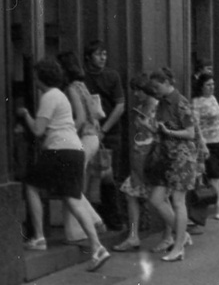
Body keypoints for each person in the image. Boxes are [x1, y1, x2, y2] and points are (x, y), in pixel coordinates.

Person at [17, 58, 111, 272]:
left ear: (41, 77)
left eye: (36, 75)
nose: (34, 79)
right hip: (74, 149)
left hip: (59, 150)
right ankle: (97, 246)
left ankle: (40, 237)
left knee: (31, 186)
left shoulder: (49, 96)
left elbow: (38, 130)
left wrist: (25, 115)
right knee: (73, 198)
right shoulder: (60, 95)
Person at [146, 69, 197, 262]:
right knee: (157, 199)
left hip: (182, 156)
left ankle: (178, 247)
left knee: (177, 201)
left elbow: (190, 133)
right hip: (168, 156)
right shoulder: (163, 104)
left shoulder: (179, 102)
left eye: (157, 87)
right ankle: (181, 236)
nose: (155, 91)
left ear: (167, 82)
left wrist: (168, 132)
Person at [56, 51, 106, 243]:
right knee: (73, 184)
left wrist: (68, 134)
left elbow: (80, 118)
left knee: (70, 186)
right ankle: (80, 229)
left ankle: (93, 220)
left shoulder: (71, 88)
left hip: (83, 137)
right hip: (92, 138)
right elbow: (94, 113)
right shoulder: (82, 86)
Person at [112, 75, 161, 252]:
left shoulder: (157, 106)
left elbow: (161, 132)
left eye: (139, 90)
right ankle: (134, 236)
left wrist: (145, 126)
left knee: (161, 198)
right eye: (134, 90)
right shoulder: (141, 107)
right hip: (139, 157)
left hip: (151, 159)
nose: (136, 94)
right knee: (131, 193)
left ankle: (177, 234)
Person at [83, 40, 127, 231]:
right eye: (98, 54)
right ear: (88, 57)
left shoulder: (112, 76)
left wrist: (104, 130)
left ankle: (114, 219)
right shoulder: (82, 78)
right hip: (88, 132)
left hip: (109, 133)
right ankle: (94, 218)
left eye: (105, 54)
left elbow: (120, 105)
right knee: (90, 176)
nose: (102, 58)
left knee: (109, 176)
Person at [192, 73, 219, 220]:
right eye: (208, 85)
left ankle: (211, 207)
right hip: (207, 143)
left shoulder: (213, 99)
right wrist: (202, 144)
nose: (211, 87)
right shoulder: (196, 102)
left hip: (218, 140)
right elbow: (196, 124)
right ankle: (217, 207)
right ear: (201, 86)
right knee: (213, 177)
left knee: (215, 176)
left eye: (213, 84)